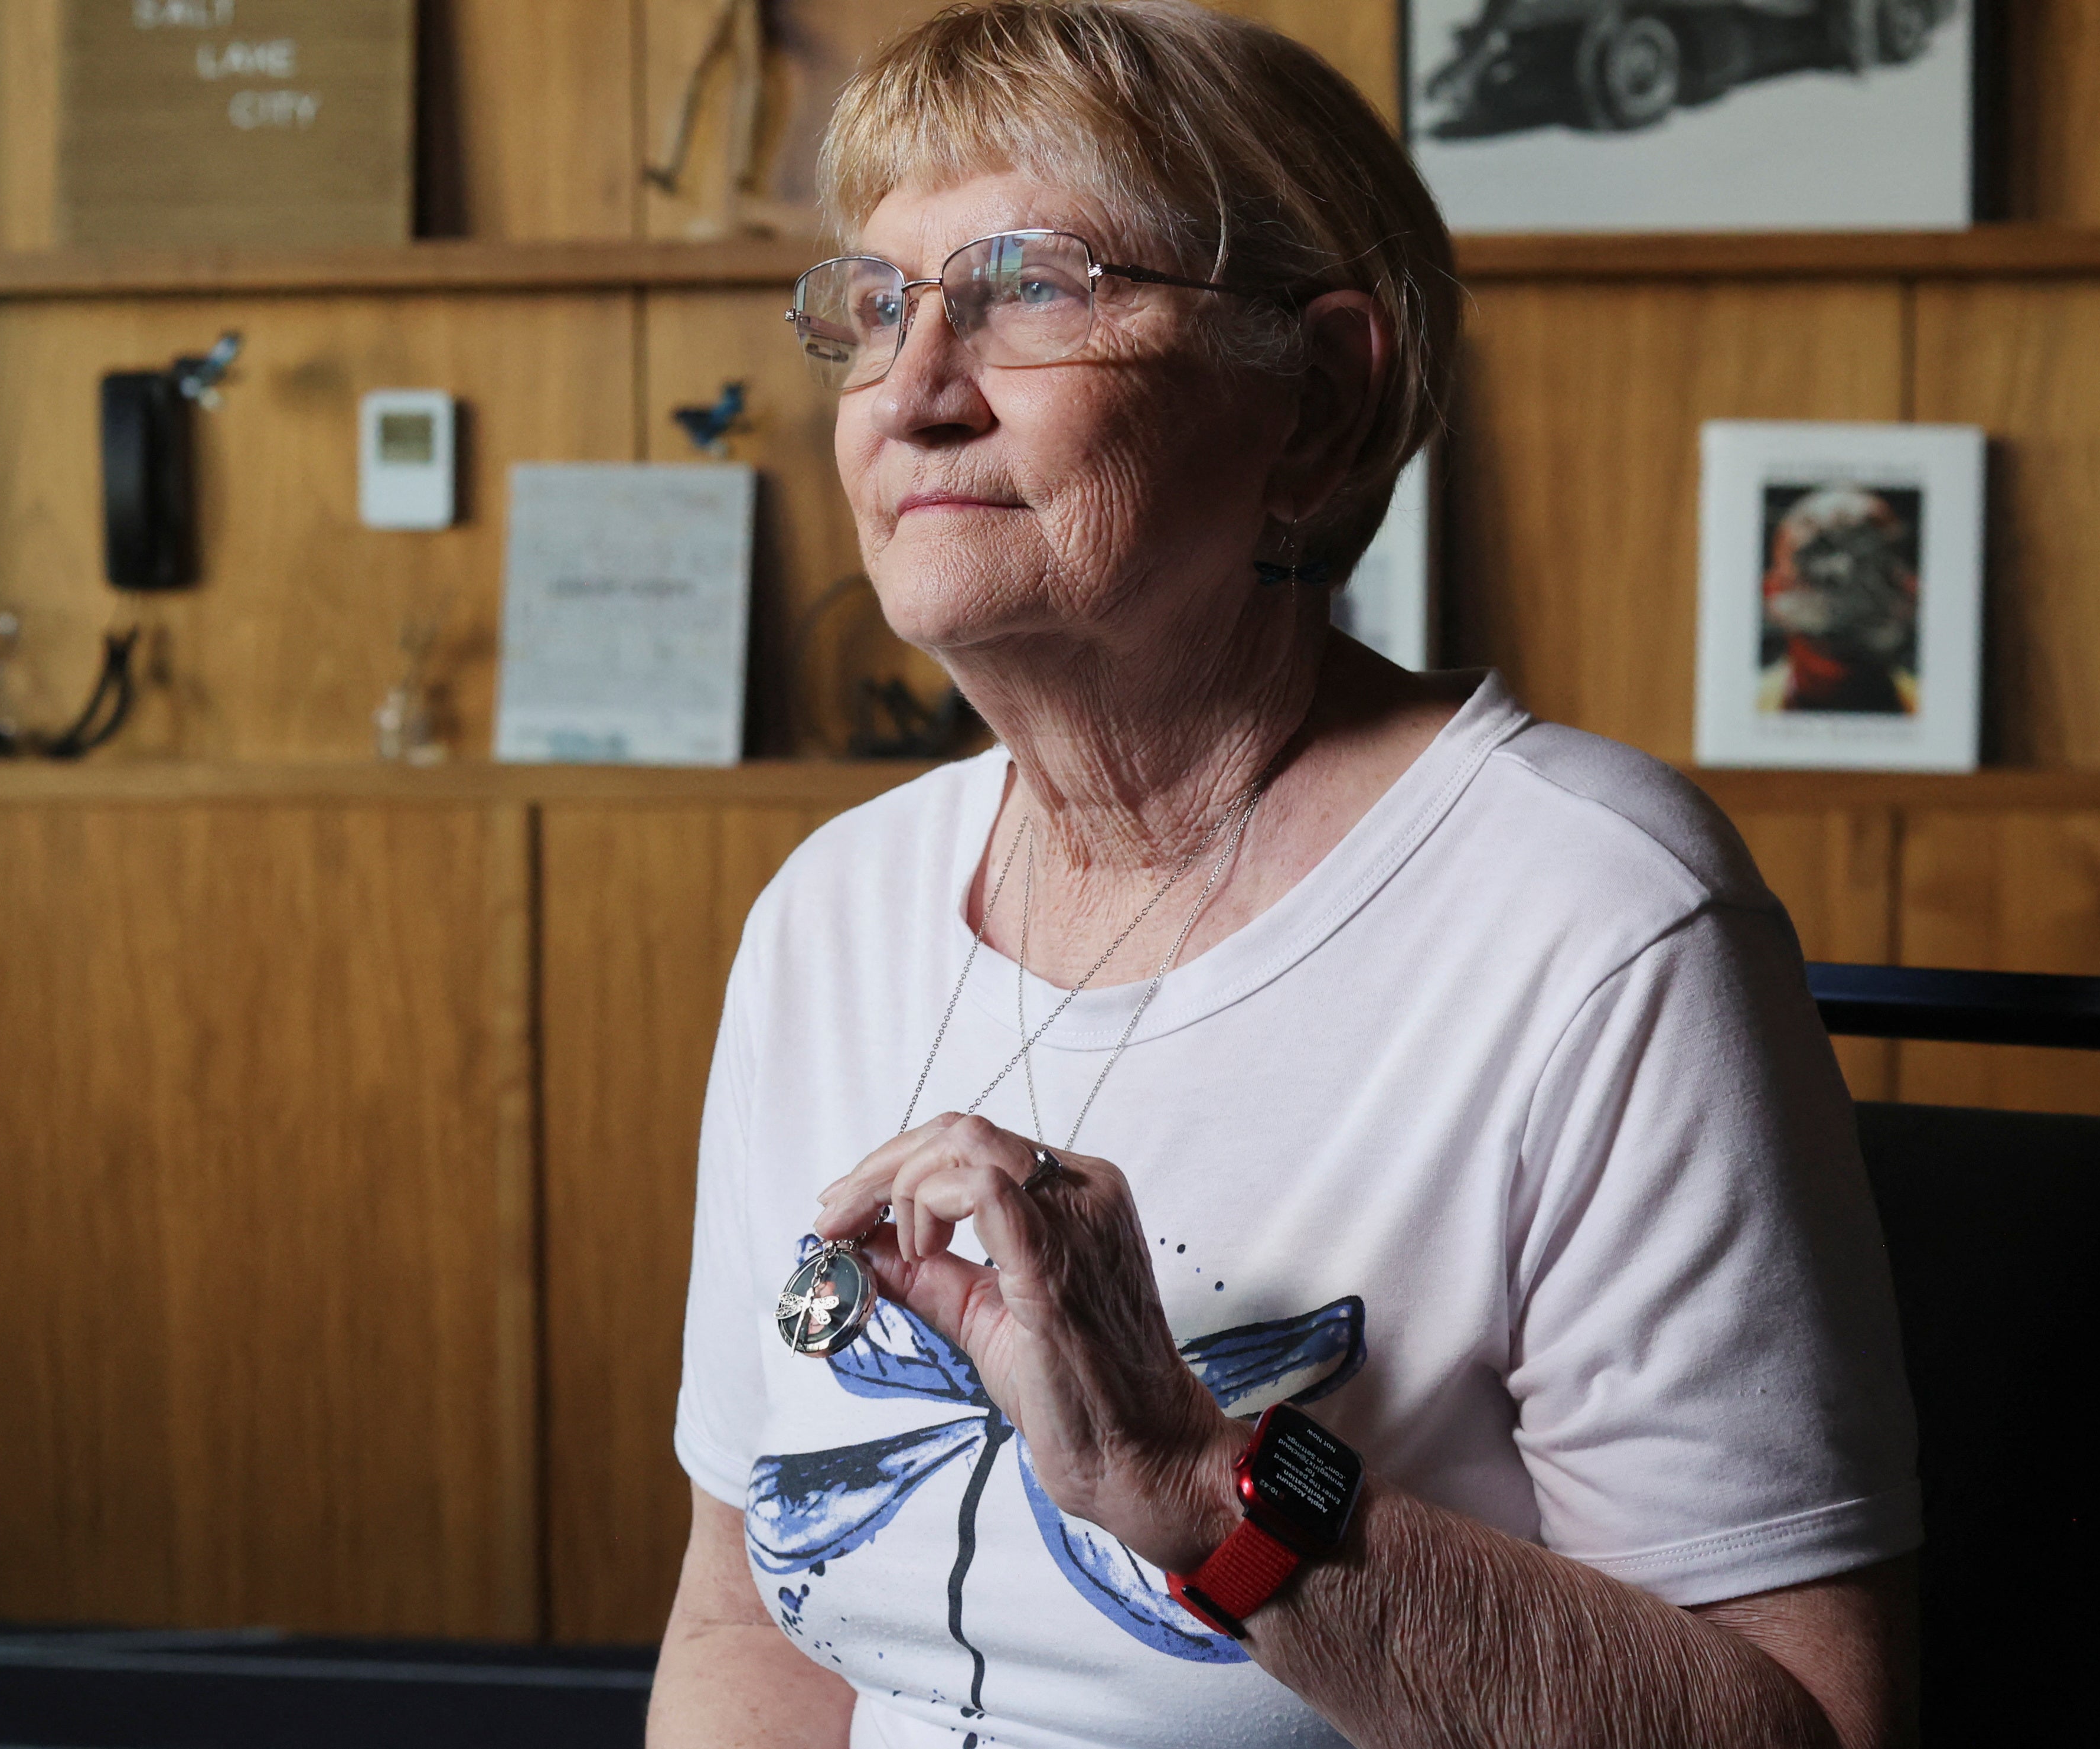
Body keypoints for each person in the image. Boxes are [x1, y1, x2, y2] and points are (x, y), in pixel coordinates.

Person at [648, 5, 1921, 1745]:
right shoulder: (829, 912)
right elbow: (746, 1624)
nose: (913, 390)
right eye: (874, 305)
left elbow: (1805, 1727)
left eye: (1029, 284)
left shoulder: (1595, 920)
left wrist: (1192, 1476)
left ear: (1320, 397)